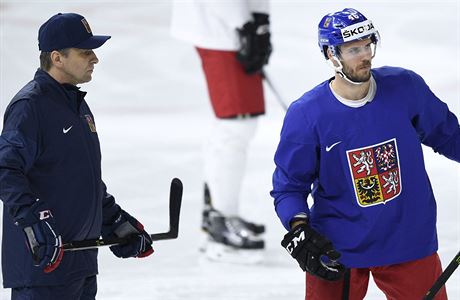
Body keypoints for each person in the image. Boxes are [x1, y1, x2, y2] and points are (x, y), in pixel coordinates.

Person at [271, 7, 459, 300]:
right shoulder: (307, 114)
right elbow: (289, 186)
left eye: (368, 45)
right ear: (331, 55)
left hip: (407, 239)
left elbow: (449, 136)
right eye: (353, 49)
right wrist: (300, 231)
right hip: (336, 247)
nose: (365, 55)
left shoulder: (405, 88)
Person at [0, 13, 153, 299]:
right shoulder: (30, 107)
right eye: (85, 52)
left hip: (80, 265)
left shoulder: (77, 107)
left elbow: (80, 179)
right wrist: (35, 221)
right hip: (43, 271)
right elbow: (5, 169)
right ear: (57, 58)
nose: (94, 58)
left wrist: (115, 220)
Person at [171, 1, 271, 261]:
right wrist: (245, 23)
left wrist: (260, 20)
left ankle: (218, 214)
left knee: (231, 127)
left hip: (230, 26)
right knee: (235, 126)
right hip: (221, 27)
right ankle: (221, 221)